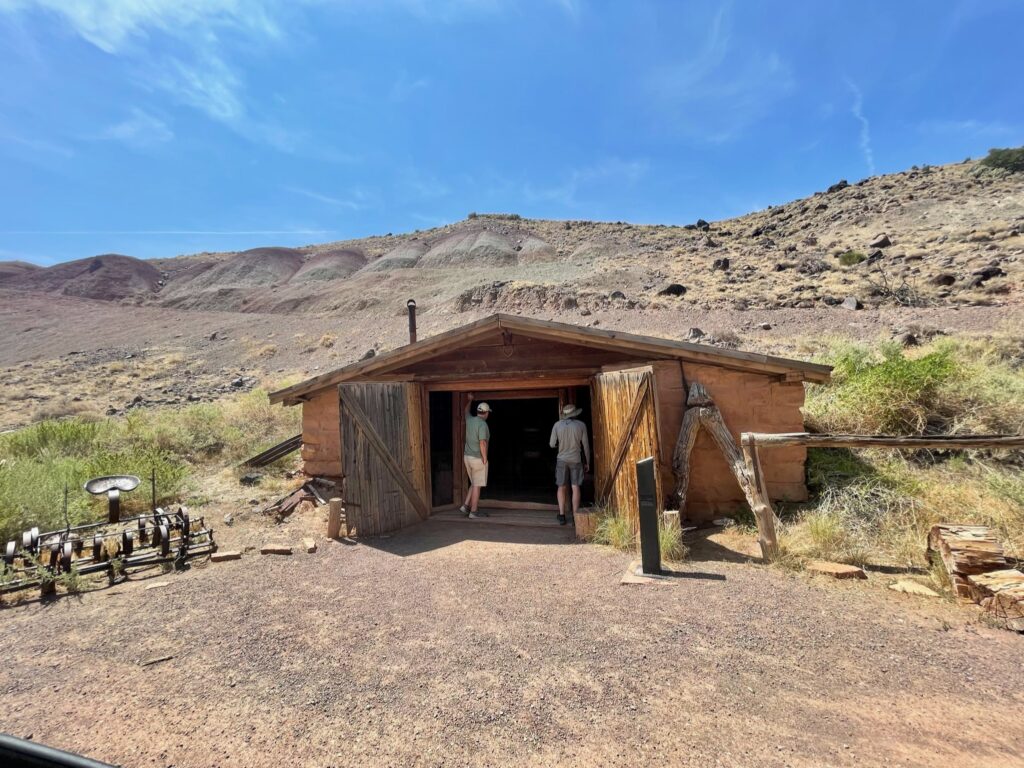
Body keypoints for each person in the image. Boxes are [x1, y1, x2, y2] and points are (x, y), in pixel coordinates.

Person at [549, 403, 590, 525]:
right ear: (575, 414)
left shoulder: (557, 425)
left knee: (561, 486)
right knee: (575, 487)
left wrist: (560, 445)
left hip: (561, 460)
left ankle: (561, 515)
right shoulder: (581, 425)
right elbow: (586, 446)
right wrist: (588, 462)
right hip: (576, 460)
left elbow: (551, 444)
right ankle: (575, 516)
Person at [458, 394, 491, 519]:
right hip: (477, 458)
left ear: (478, 411)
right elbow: (482, 442)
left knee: (474, 482)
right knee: (477, 485)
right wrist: (485, 458)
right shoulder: (483, 425)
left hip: (467, 457)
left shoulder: (470, 419)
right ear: (486, 413)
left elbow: (466, 410)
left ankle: (465, 506)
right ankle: (474, 511)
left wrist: (470, 400)